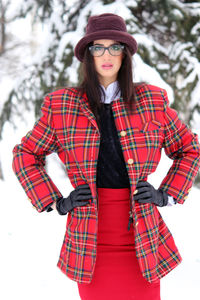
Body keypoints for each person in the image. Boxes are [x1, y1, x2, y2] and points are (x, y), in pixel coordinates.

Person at [12, 13, 200, 300]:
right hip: (90, 238)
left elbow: (189, 149)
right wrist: (56, 201)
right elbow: (25, 153)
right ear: (88, 54)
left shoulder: (152, 101)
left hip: (142, 234)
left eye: (114, 47)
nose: (106, 54)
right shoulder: (62, 105)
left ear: (125, 54)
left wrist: (167, 194)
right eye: (97, 47)